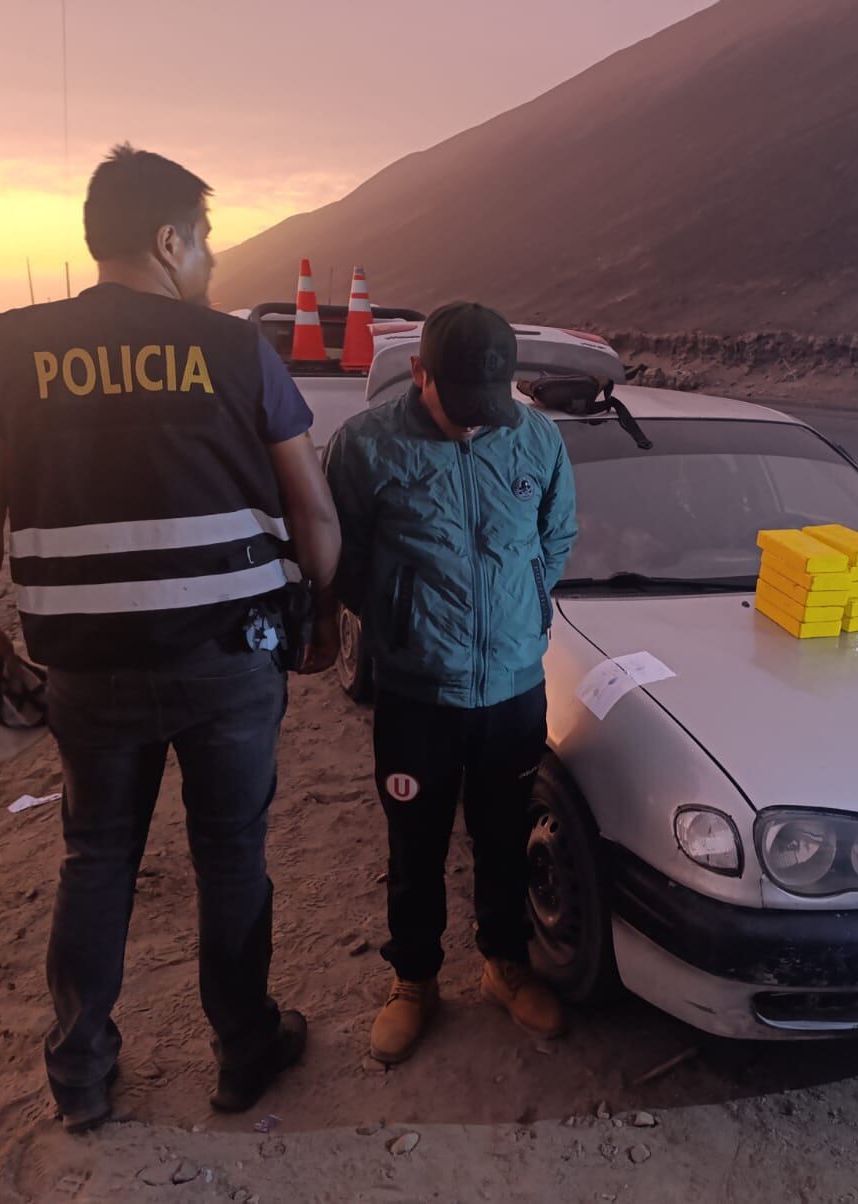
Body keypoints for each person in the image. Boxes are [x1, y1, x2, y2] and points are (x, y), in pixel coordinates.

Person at [0, 145, 342, 1131]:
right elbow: (314, 514)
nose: (207, 260)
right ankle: (243, 1051)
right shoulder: (235, 349)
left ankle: (80, 1074)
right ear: (170, 239)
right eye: (203, 240)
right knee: (231, 856)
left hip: (85, 669)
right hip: (226, 660)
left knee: (98, 855)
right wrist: (324, 607)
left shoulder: (11, 350)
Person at [323, 301, 578, 1065]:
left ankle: (504, 966)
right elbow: (343, 556)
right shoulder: (365, 447)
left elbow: (556, 535)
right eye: (460, 404)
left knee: (502, 835)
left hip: (511, 688)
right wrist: (403, 621)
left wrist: (517, 607)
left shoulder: (534, 436)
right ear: (418, 373)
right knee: (416, 841)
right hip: (416, 694)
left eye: (488, 406)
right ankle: (414, 980)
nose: (476, 423)